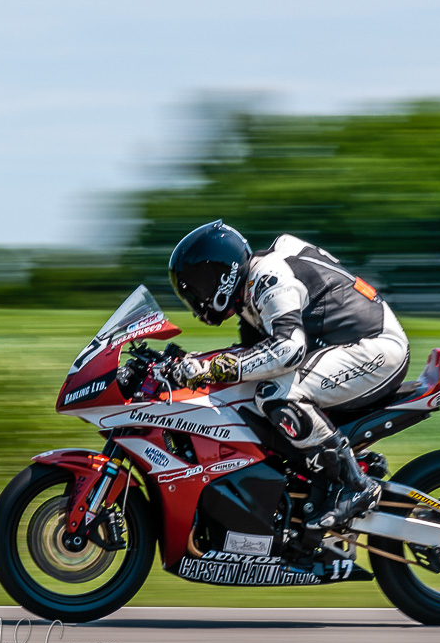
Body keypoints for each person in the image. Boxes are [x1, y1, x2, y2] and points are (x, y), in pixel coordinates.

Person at [165, 220, 410, 531]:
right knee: (251, 391)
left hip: (374, 349)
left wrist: (212, 368)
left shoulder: (269, 279)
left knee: (274, 394)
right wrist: (189, 362)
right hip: (345, 346)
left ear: (222, 274)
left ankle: (355, 483)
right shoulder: (251, 292)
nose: (197, 298)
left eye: (198, 285)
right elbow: (252, 356)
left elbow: (287, 350)